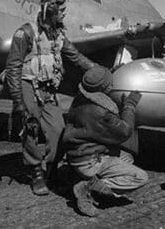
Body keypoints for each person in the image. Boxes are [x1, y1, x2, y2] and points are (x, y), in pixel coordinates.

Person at [5, 0, 96, 196]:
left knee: (58, 129)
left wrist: (96, 69)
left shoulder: (59, 34)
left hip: (49, 89)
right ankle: (36, 173)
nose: (64, 15)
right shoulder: (26, 32)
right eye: (61, 11)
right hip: (27, 84)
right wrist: (19, 103)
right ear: (51, 10)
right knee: (31, 126)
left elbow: (75, 56)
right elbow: (13, 67)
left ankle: (52, 170)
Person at [62, 65, 149, 216]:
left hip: (78, 155)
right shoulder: (101, 111)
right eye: (110, 83)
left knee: (127, 157)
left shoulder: (80, 99)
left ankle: (81, 177)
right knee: (140, 177)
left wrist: (113, 70)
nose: (112, 85)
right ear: (105, 87)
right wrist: (130, 106)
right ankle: (88, 188)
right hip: (90, 160)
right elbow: (125, 131)